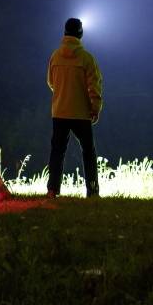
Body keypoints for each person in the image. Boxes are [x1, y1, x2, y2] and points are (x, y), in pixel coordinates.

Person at [46, 17, 103, 197]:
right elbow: (94, 86)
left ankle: (52, 190)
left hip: (60, 111)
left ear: (65, 32)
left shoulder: (55, 56)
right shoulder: (87, 58)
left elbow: (51, 82)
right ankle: (92, 190)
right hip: (81, 113)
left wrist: (63, 92)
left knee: (57, 151)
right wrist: (95, 107)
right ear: (80, 33)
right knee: (88, 151)